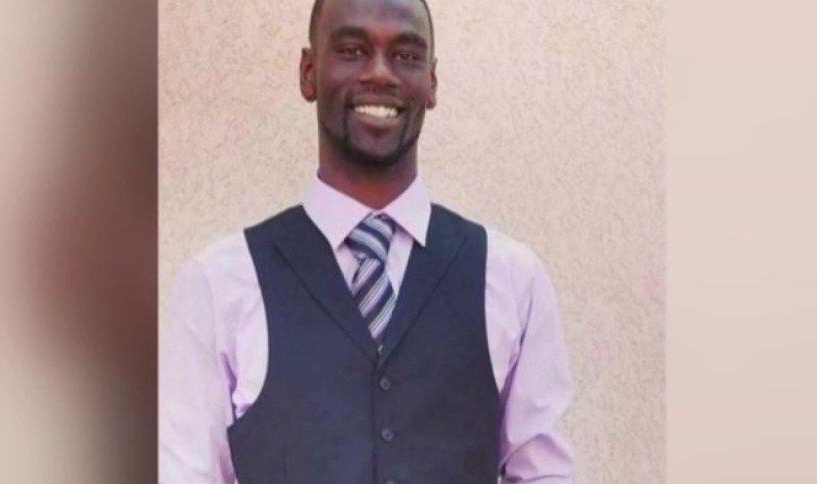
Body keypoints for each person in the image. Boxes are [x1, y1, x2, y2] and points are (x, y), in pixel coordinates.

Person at [159, 0, 575, 482]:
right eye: (353, 50)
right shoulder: (218, 285)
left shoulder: (512, 280)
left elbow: (544, 474)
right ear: (309, 73)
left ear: (432, 83)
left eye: (406, 55)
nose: (380, 73)